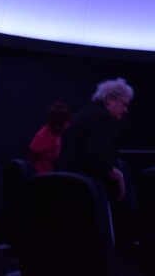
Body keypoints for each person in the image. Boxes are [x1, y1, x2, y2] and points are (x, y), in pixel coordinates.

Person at [62, 77, 134, 254]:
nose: (126, 110)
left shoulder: (85, 114)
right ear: (110, 100)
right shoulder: (103, 119)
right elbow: (96, 157)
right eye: (124, 104)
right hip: (88, 194)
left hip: (70, 191)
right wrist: (117, 175)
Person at [28, 101, 72, 174]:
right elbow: (31, 159)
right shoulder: (41, 137)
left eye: (61, 124)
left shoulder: (68, 132)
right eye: (54, 124)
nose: (57, 128)